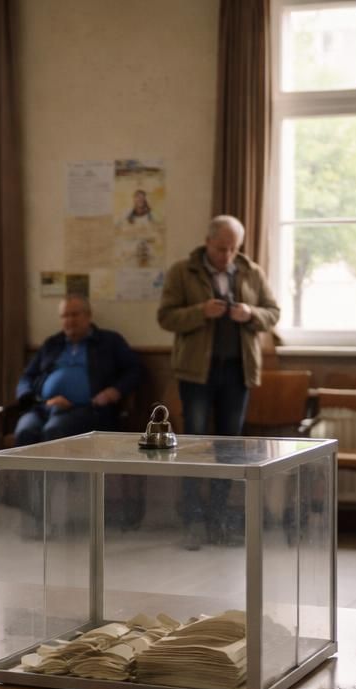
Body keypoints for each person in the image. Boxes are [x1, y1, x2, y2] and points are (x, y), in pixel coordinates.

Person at [156, 214, 280, 545]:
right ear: (208, 242)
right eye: (221, 248)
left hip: (237, 371)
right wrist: (200, 312)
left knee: (230, 448)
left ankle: (217, 518)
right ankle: (192, 519)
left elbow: (273, 313)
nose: (227, 255)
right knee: (194, 445)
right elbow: (165, 317)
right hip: (196, 371)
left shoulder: (251, 271)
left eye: (233, 248)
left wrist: (250, 314)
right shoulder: (183, 271)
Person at [14, 295, 143, 445]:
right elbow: (27, 377)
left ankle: (54, 470)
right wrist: (32, 399)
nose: (69, 320)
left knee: (54, 430)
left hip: (86, 410)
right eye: (64, 316)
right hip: (43, 407)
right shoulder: (52, 344)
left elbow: (135, 370)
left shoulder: (109, 341)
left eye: (74, 314)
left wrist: (114, 391)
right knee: (25, 431)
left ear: (88, 316)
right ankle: (29, 470)